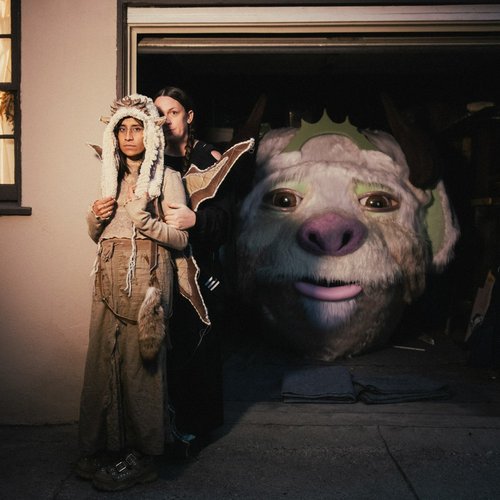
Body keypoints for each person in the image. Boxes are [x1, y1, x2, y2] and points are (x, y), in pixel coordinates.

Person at [76, 94, 189, 491]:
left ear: (150, 135)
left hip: (148, 283)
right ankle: (105, 446)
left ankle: (144, 455)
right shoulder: (110, 175)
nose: (128, 136)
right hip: (107, 278)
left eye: (136, 128)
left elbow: (180, 239)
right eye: (121, 129)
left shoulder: (167, 178)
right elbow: (99, 235)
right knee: (102, 363)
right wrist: (95, 218)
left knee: (143, 368)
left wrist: (146, 221)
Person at [154, 86, 231, 447]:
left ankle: (198, 429)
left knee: (197, 345)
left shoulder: (208, 157)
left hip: (200, 270)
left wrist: (196, 220)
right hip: (160, 267)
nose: (167, 120)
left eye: (174, 112)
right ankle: (165, 426)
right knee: (164, 347)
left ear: (189, 116)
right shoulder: (152, 160)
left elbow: (227, 221)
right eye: (160, 113)